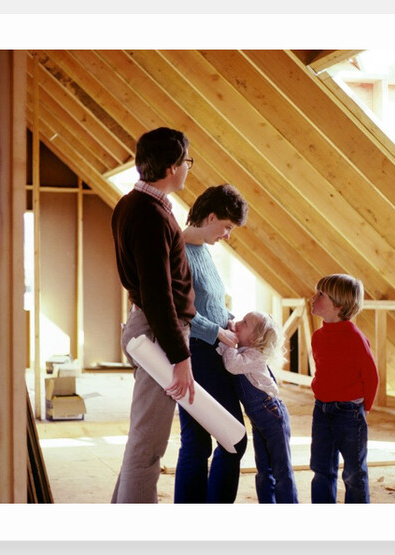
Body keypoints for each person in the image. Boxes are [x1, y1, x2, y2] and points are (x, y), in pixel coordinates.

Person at [109, 127, 196, 504]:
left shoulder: (133, 204)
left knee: (142, 439)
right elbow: (159, 295)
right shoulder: (151, 215)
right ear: (173, 166)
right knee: (148, 448)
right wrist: (180, 357)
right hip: (160, 332)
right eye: (187, 162)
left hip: (149, 326)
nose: (188, 169)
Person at [174, 184, 249, 503]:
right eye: (227, 227)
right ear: (212, 216)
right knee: (233, 439)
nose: (228, 235)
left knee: (198, 443)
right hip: (197, 354)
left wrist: (230, 320)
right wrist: (218, 332)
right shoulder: (176, 249)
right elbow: (177, 308)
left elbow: (211, 302)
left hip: (212, 351)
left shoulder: (203, 250)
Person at [308, 273, 379, 504]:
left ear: (338, 305)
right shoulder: (318, 336)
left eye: (321, 295)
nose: (313, 298)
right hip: (321, 411)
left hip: (349, 413)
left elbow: (371, 376)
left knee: (353, 473)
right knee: (321, 469)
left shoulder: (355, 337)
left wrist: (364, 408)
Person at [216, 311, 298, 504]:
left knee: (281, 468)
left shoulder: (254, 355)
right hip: (260, 419)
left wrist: (228, 340)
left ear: (254, 339)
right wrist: (223, 336)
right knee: (263, 468)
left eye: (244, 323)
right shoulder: (243, 351)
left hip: (272, 415)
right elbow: (222, 353)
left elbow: (231, 364)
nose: (238, 323)